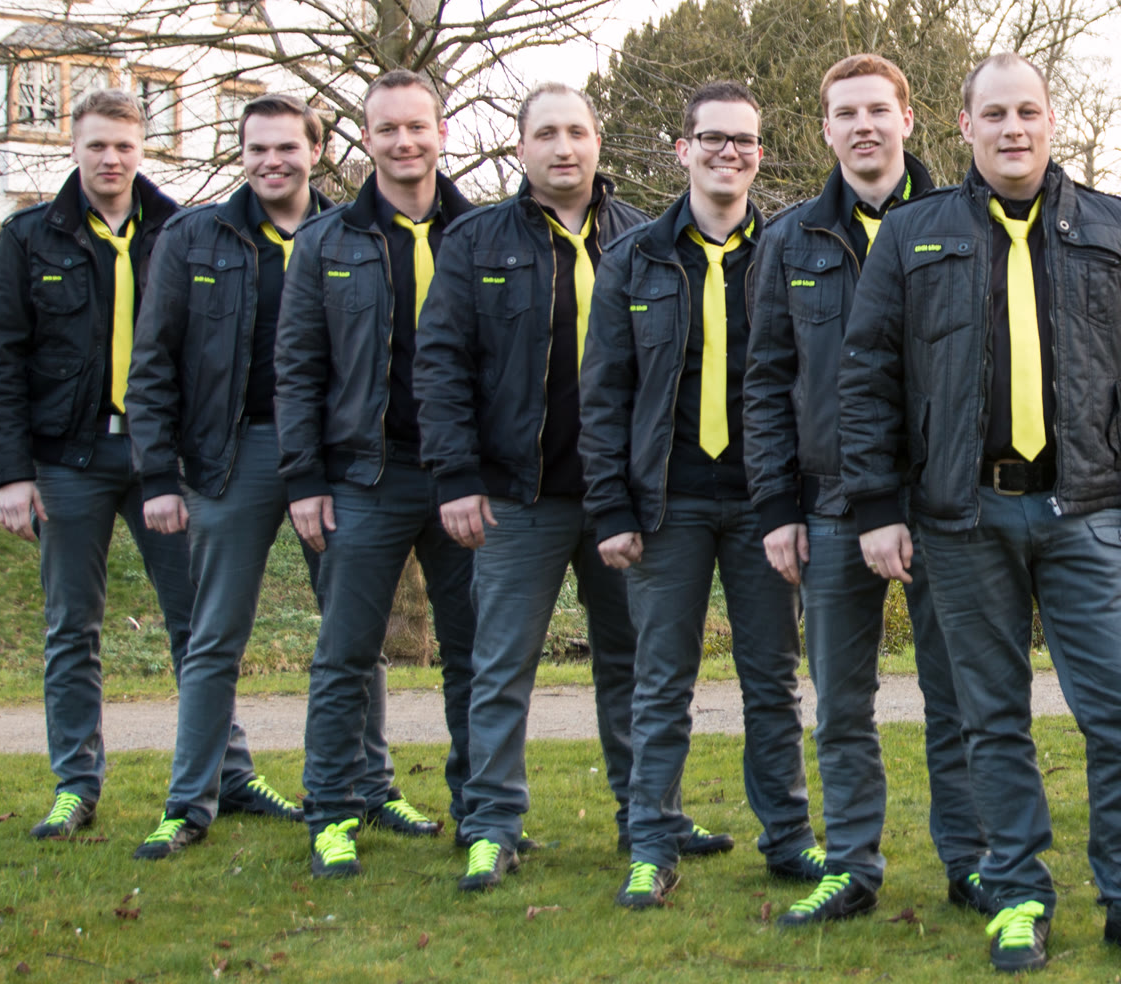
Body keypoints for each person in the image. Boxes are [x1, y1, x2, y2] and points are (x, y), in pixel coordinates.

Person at [841, 52, 1121, 971]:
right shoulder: (912, 234)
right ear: (963, 126)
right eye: (995, 115)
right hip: (961, 515)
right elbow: (868, 376)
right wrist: (877, 504)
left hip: (1086, 511)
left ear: (1051, 121)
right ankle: (1017, 895)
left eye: (1028, 112)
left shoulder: (1119, 227)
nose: (1013, 129)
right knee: (990, 718)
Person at [412, 82, 734, 891]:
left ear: (599, 142)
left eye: (578, 132)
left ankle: (646, 816)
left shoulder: (646, 239)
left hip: (625, 499)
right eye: (547, 133)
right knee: (500, 667)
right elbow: (441, 365)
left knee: (635, 666)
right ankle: (491, 824)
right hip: (518, 496)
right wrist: (456, 475)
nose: (564, 147)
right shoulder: (475, 240)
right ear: (521, 147)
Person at [743, 54, 991, 926]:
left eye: (878, 110)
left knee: (956, 697)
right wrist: (776, 507)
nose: (864, 127)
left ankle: (972, 862)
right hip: (830, 505)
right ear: (824, 129)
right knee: (841, 704)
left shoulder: (962, 223)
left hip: (942, 502)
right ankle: (852, 866)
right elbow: (766, 383)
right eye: (845, 113)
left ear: (909, 120)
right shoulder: (790, 241)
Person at [0, 88, 245, 844]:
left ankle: (229, 773)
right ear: (74, 148)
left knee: (199, 625)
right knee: (72, 629)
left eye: (124, 145)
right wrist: (10, 474)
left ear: (141, 148)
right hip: (68, 459)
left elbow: (211, 352)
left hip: (165, 460)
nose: (111, 159)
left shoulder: (184, 231)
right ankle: (75, 785)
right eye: (96, 145)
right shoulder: (29, 237)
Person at [582, 81, 819, 909]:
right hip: (667, 504)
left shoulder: (790, 251)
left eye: (744, 139)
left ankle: (787, 838)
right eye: (713, 138)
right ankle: (652, 842)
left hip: (766, 505)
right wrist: (610, 508)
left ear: (760, 153)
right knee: (660, 683)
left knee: (772, 680)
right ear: (682, 150)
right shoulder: (634, 259)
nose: (729, 152)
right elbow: (604, 394)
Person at [124, 94, 350, 858]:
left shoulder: (350, 234)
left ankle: (364, 791)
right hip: (231, 454)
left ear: (316, 151)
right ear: (242, 153)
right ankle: (189, 802)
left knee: (351, 632)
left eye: (287, 147)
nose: (272, 161)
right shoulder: (193, 236)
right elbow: (152, 363)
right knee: (212, 637)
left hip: (332, 457)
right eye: (257, 148)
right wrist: (158, 474)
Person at [277, 70, 479, 877]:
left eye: (417, 126)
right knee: (345, 655)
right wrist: (303, 478)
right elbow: (298, 370)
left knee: (475, 657)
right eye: (387, 128)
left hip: (465, 482)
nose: (404, 142)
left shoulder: (485, 233)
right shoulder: (325, 242)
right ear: (365, 138)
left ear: (441, 133)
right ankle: (331, 812)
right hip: (365, 478)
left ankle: (482, 814)